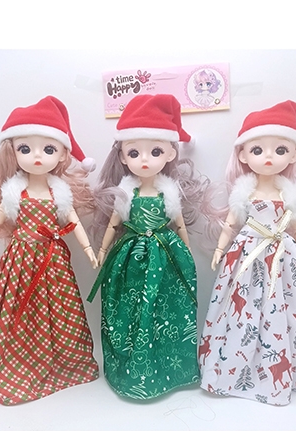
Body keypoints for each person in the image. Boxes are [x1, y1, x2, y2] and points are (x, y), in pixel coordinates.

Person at [0, 96, 99, 405]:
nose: (37, 156)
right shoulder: (13, 192)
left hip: (53, 261)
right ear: (13, 152)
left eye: (48, 149)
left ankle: (60, 361)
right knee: (18, 309)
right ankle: (19, 360)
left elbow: (73, 221)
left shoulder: (59, 192)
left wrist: (87, 248)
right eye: (25, 148)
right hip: (19, 261)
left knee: (58, 310)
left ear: (62, 154)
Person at [199, 100, 296, 405]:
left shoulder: (288, 193)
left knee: (280, 309)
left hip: (281, 256)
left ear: (294, 155)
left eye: (280, 150)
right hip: (246, 254)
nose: (268, 157)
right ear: (243, 154)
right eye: (258, 150)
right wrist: (220, 249)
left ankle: (274, 369)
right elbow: (231, 224)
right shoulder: (244, 191)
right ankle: (234, 367)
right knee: (239, 310)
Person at [88, 94, 207, 400]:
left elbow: (180, 226)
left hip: (166, 255)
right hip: (130, 256)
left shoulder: (170, 193)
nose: (144, 160)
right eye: (134, 152)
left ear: (170, 153)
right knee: (130, 309)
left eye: (155, 151)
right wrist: (101, 252)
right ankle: (131, 370)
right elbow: (113, 225)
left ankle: (169, 368)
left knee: (166, 310)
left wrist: (187, 256)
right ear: (122, 157)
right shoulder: (126, 192)